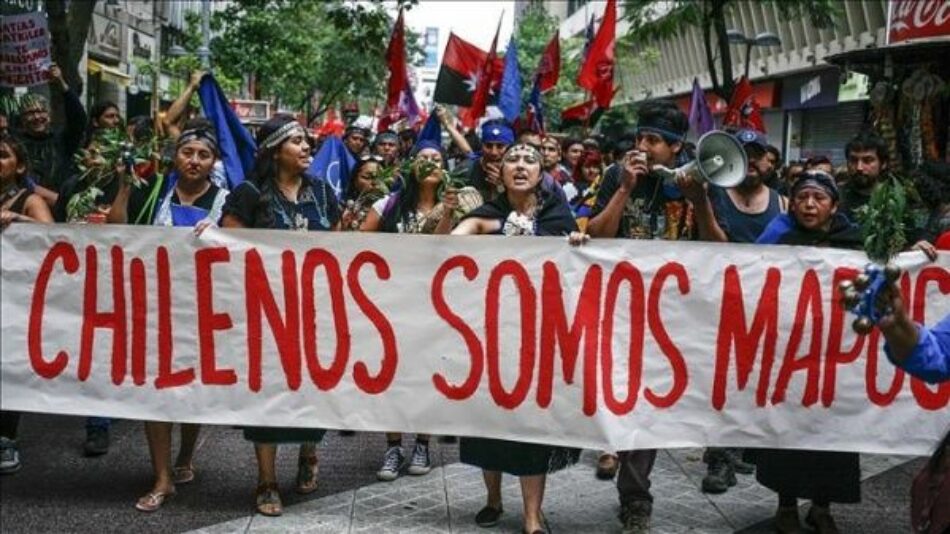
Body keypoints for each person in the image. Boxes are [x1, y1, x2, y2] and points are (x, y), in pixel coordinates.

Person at [452, 143, 579, 534]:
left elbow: (574, 256)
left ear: (542, 173)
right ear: (499, 171)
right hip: (491, 336)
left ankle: (531, 517)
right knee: (490, 422)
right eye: (513, 160)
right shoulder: (487, 215)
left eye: (530, 161)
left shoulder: (559, 216)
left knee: (532, 425)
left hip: (539, 337)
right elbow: (459, 237)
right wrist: (469, 222)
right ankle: (493, 498)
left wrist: (576, 245)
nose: (520, 166)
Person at [219, 115, 341, 516]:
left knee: (312, 389)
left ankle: (308, 453)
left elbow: (340, 247)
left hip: (314, 312)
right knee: (268, 395)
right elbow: (228, 244)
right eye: (297, 142)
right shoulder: (250, 193)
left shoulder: (323, 192)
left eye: (308, 142)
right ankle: (266, 480)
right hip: (265, 315)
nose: (307, 148)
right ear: (274, 151)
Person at [586, 100, 696, 534]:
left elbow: (719, 245)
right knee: (618, 393)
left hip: (673, 314)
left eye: (652, 141)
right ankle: (616, 455)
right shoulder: (617, 174)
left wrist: (699, 200)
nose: (643, 147)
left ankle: (635, 495)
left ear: (676, 147)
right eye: (639, 138)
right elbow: (596, 234)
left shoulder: (695, 178)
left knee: (649, 404)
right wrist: (624, 189)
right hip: (618, 307)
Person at [107, 125, 227, 512]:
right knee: (155, 393)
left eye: (202, 155)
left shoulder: (228, 200)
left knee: (192, 389)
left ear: (213, 163)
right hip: (154, 307)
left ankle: (185, 456)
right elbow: (117, 228)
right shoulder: (152, 193)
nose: (194, 160)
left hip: (202, 312)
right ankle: (162, 478)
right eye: (187, 152)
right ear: (175, 156)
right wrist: (125, 187)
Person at [754, 171, 862, 534]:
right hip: (790, 353)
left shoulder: (855, 241)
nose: (810, 205)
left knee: (832, 433)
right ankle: (785, 506)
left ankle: (821, 506)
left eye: (819, 198)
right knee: (788, 429)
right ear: (792, 203)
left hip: (838, 355)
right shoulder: (776, 240)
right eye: (802, 198)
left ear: (834, 206)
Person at [683, 129, 787, 494]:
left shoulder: (782, 203)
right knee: (724, 381)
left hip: (764, 306)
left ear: (768, 160)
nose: (753, 162)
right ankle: (718, 459)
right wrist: (701, 204)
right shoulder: (713, 196)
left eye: (758, 154)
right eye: (745, 154)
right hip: (720, 303)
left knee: (753, 379)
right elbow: (716, 246)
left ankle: (737, 445)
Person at [360, 143, 460, 481]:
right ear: (409, 167)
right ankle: (393, 446)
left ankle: (421, 443)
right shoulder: (387, 206)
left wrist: (447, 213)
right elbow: (356, 245)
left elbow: (446, 250)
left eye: (437, 159)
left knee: (428, 375)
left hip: (437, 306)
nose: (430, 163)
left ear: (446, 168)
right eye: (423, 158)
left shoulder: (458, 207)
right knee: (392, 375)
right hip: (392, 305)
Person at [0, 133, 54, 475]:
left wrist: (19, 221)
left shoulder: (28, 200)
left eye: (2, 156)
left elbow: (53, 236)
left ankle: (6, 438)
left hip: (12, 298)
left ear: (18, 166)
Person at [13, 64, 87, 192]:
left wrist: (61, 83)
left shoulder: (63, 140)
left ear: (49, 115)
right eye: (30, 113)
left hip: (58, 205)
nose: (37, 117)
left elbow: (78, 118)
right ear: (22, 119)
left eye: (41, 111)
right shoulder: (15, 144)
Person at [839, 131, 889, 221]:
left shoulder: (894, 199)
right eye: (853, 160)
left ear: (883, 164)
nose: (859, 168)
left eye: (867, 160)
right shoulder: (836, 199)